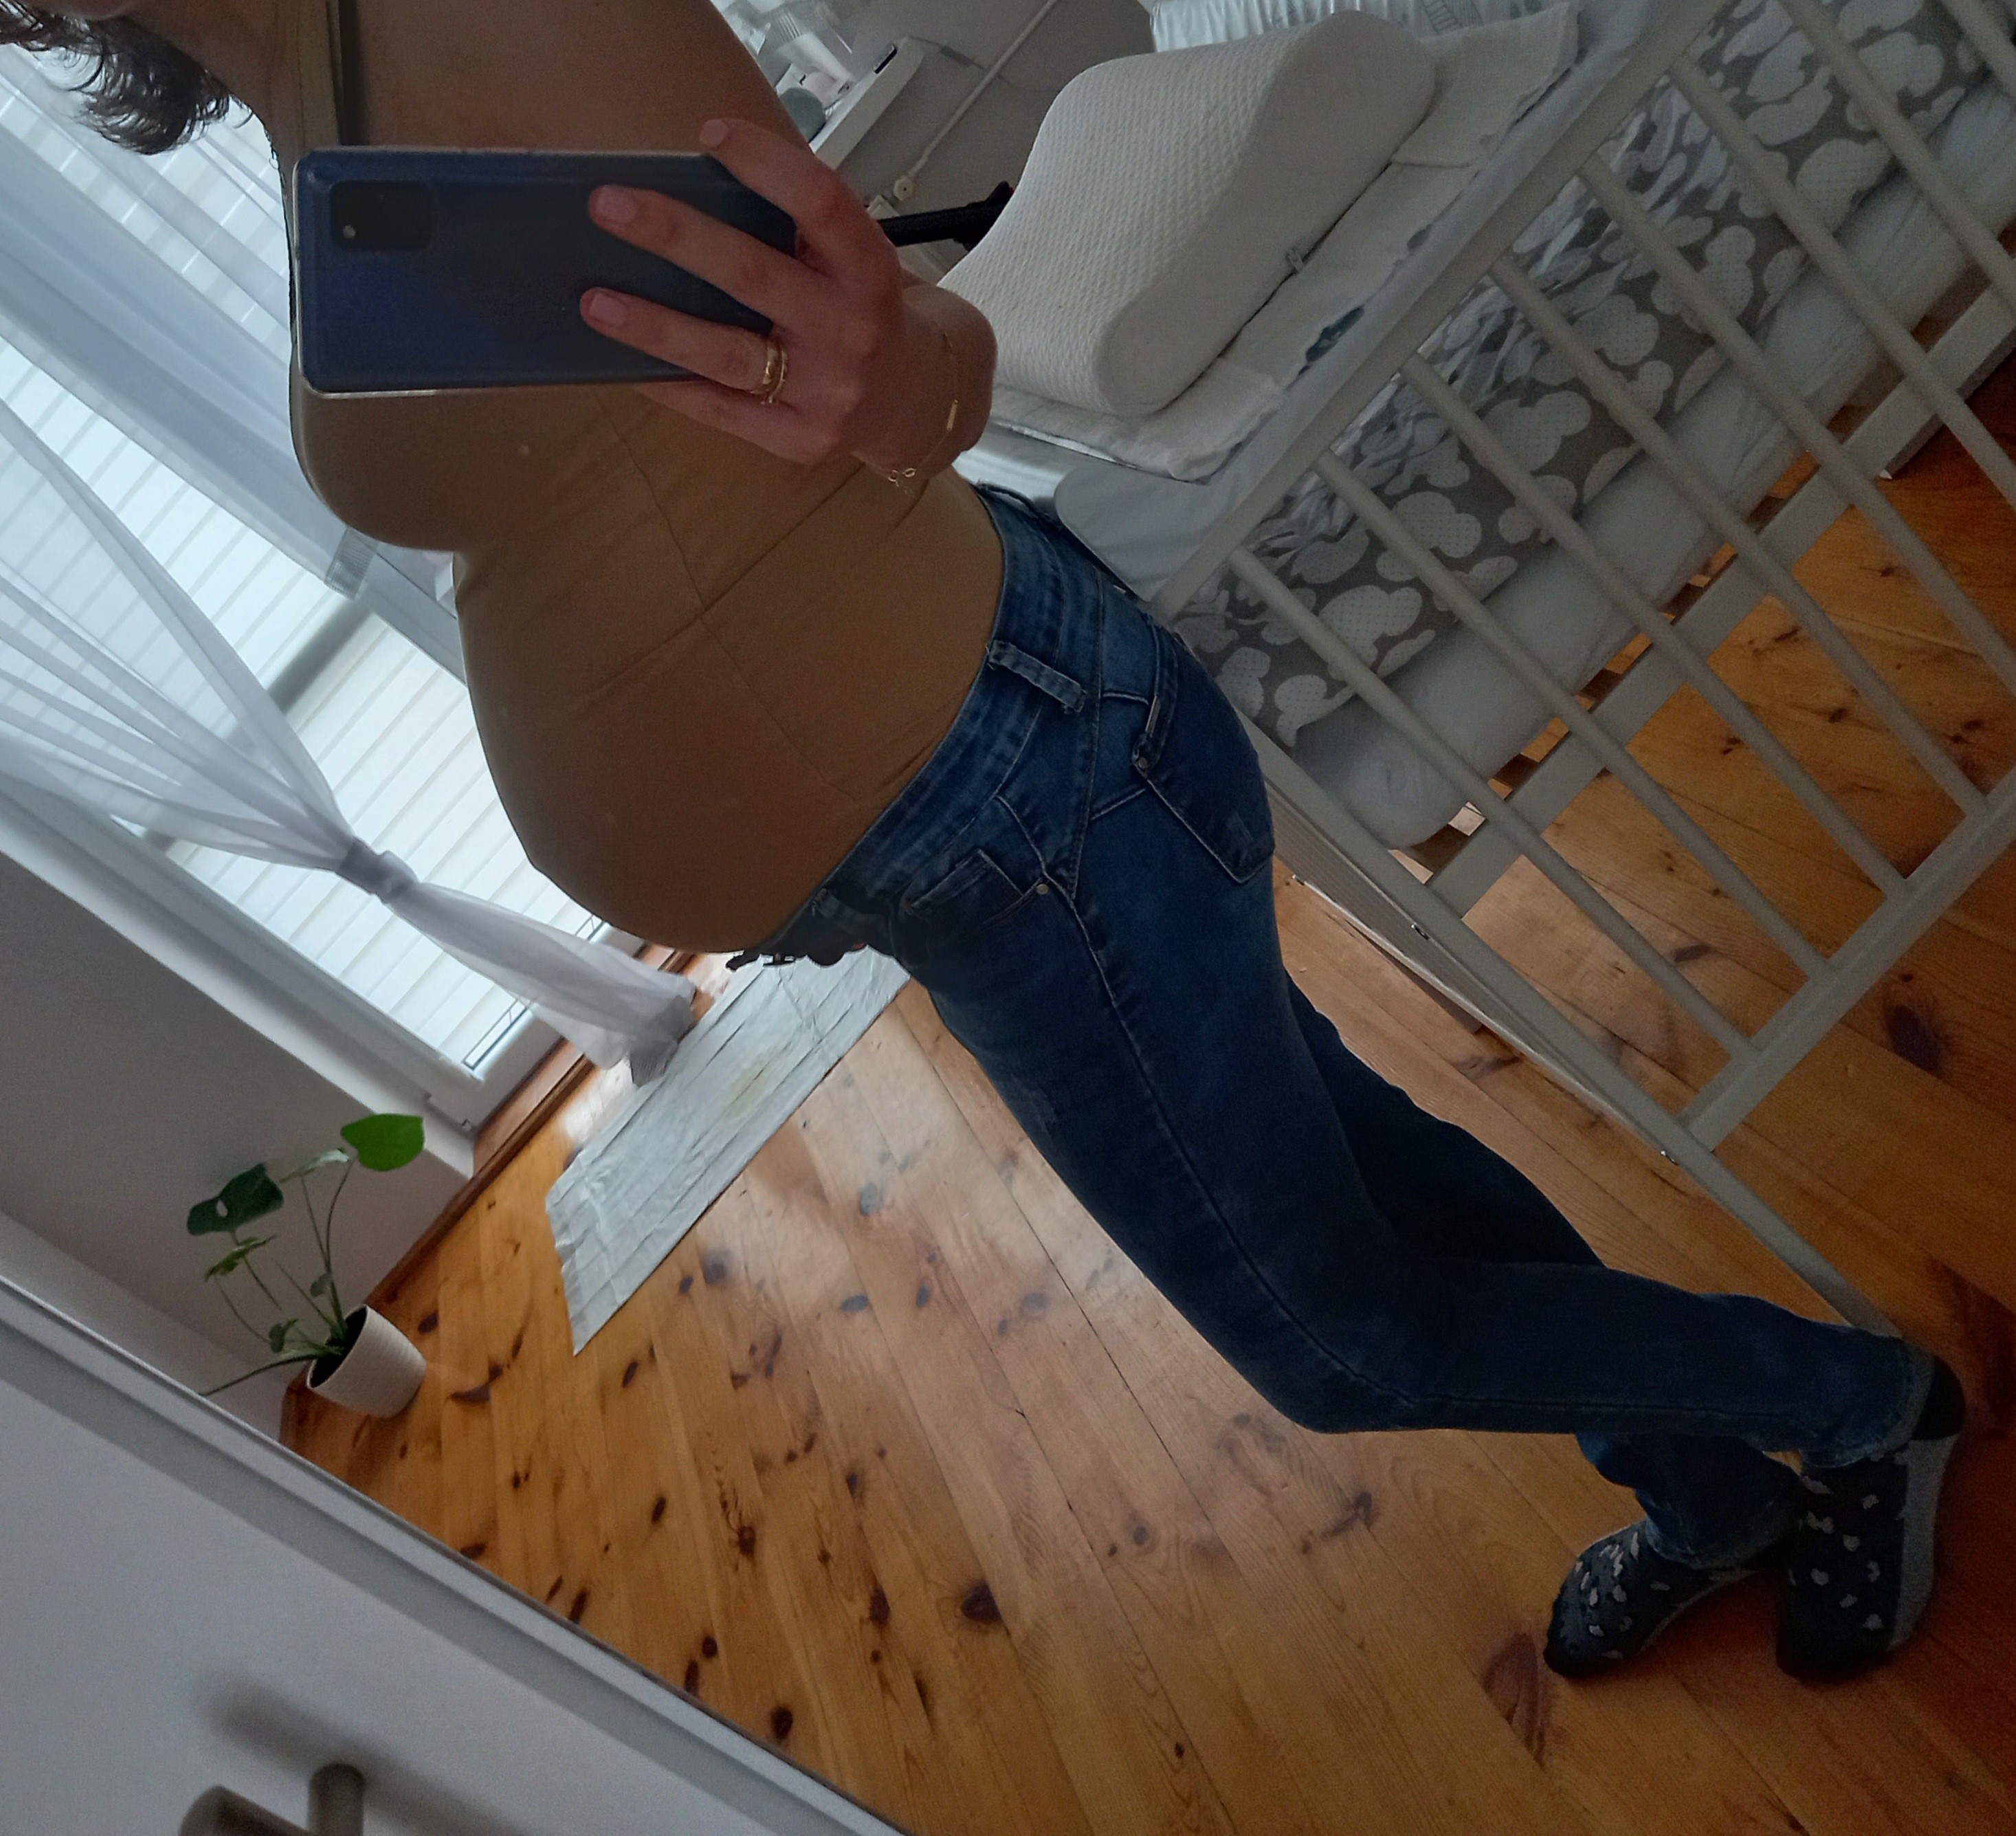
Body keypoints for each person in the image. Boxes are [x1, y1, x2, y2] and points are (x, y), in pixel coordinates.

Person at [8, 0, 1965, 1681]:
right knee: (1363, 1178)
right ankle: (1707, 1490)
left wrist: (913, 368)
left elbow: (904, 348)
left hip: (1015, 787)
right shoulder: (294, 74)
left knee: (1336, 1345)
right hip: (953, 835)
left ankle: (1865, 1411)